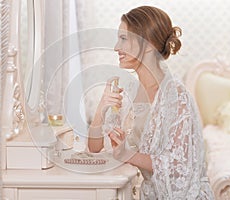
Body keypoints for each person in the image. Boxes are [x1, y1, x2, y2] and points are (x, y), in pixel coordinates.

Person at [87, 5, 214, 200]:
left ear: (147, 44)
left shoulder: (177, 98)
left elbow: (178, 169)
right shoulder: (127, 93)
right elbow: (94, 148)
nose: (116, 47)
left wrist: (126, 154)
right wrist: (101, 109)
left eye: (123, 39)